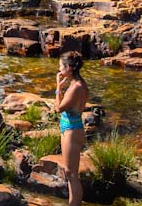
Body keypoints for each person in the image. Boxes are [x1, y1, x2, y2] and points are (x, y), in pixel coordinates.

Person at [55, 51, 89, 206]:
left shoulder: (76, 87)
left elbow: (58, 108)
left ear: (69, 67)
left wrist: (57, 87)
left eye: (61, 66)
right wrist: (63, 87)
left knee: (71, 173)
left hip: (72, 130)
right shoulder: (76, 84)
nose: (59, 69)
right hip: (68, 128)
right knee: (70, 172)